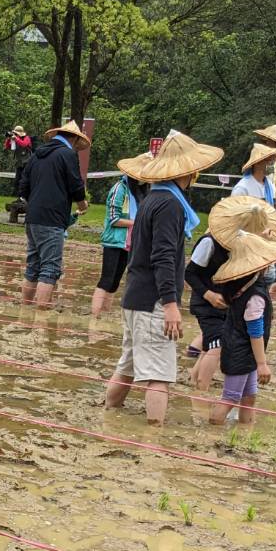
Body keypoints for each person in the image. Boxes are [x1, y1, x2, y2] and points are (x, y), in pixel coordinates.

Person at [104, 131, 225, 424]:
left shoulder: (152, 198)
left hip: (135, 296)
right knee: (159, 376)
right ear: (190, 170)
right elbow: (163, 257)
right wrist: (170, 305)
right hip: (152, 300)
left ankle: (108, 416)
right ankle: (155, 434)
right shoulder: (170, 205)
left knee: (128, 366)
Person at [184, 196, 276, 392]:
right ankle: (202, 390)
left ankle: (193, 380)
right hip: (206, 303)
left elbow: (267, 273)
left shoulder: (248, 244)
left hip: (230, 304)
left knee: (215, 342)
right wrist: (208, 294)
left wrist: (264, 244)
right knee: (217, 345)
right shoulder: (209, 242)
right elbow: (190, 273)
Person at [208, 232, 276, 426]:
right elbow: (255, 332)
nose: (270, 266)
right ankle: (212, 430)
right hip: (242, 352)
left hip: (242, 350)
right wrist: (262, 364)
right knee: (230, 398)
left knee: (249, 398)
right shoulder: (254, 297)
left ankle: (245, 432)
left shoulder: (242, 285)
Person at [16, 119, 89, 305]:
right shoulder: (67, 155)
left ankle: (25, 307)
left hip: (32, 217)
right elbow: (76, 185)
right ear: (73, 139)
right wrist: (82, 204)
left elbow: (23, 186)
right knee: (50, 267)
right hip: (52, 219)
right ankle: (41, 314)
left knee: (33, 265)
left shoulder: (36, 155)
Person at [89, 170, 137, 315]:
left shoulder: (136, 193)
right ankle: (94, 316)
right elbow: (114, 219)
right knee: (106, 279)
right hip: (114, 242)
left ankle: (104, 314)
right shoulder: (119, 189)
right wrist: (137, 222)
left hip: (127, 243)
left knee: (115, 281)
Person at [232, 142, 276, 206]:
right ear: (257, 163)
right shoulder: (242, 189)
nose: (272, 164)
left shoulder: (271, 186)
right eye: (269, 160)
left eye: (274, 161)